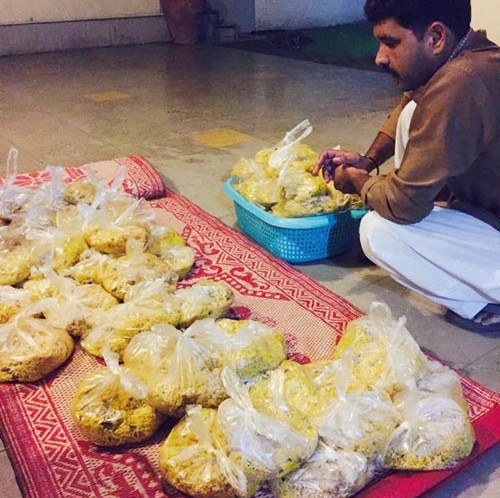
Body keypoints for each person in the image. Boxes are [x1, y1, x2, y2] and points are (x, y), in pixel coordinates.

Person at [313, 0, 500, 333]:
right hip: (486, 210)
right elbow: (409, 103)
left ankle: (485, 303)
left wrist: (358, 181)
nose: (380, 57)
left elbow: (404, 205)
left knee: (378, 232)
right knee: (414, 114)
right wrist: (368, 161)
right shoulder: (466, 59)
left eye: (391, 42)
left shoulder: (462, 81)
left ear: (436, 37)